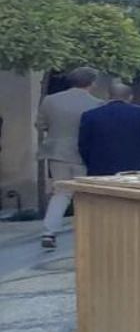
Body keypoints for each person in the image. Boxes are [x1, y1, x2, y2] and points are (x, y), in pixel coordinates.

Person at [36, 67, 103, 249]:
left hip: (57, 152)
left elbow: (40, 124)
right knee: (86, 193)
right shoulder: (97, 104)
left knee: (61, 192)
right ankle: (89, 231)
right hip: (84, 154)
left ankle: (49, 232)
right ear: (91, 83)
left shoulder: (50, 100)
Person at [77, 81, 140, 177]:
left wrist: (91, 162)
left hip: (101, 167)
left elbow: (84, 144)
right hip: (137, 166)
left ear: (108, 96)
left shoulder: (90, 115)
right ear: (130, 97)